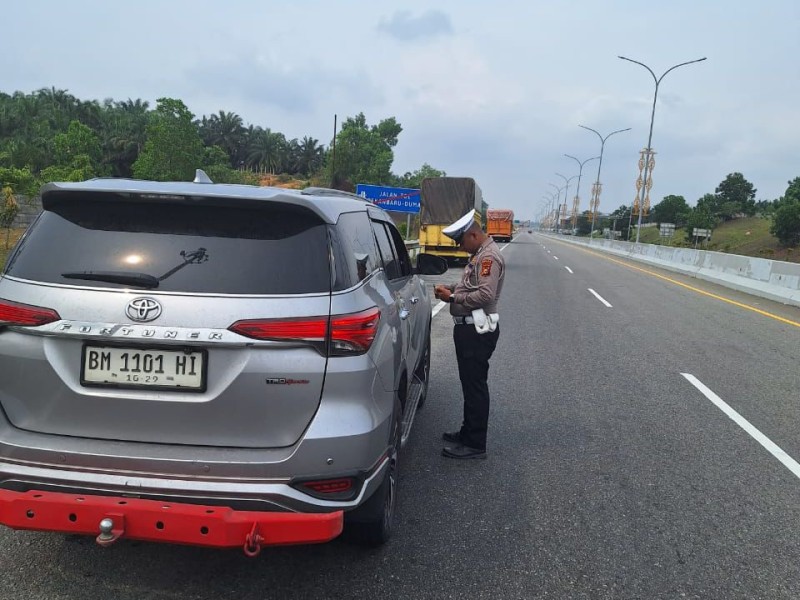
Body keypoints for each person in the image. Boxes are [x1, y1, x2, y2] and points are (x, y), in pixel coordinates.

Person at [434, 209, 505, 460]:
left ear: (473, 234)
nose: (462, 247)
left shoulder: (489, 258)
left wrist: (452, 297)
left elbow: (485, 294)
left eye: (462, 242)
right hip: (468, 328)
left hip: (477, 330)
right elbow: (471, 286)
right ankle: (467, 432)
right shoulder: (479, 255)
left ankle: (475, 444)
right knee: (469, 383)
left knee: (475, 386)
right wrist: (451, 288)